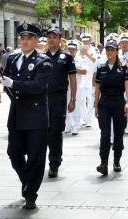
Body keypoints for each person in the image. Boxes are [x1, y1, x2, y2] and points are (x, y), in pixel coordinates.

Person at [1, 23, 53, 210]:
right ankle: (27, 182)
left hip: (36, 115)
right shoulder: (14, 60)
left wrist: (14, 83)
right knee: (14, 153)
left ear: (37, 41)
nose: (25, 41)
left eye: (29, 38)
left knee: (35, 157)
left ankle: (31, 194)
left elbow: (38, 86)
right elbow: (9, 85)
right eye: (22, 38)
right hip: (16, 114)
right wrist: (8, 84)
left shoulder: (44, 61)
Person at [94, 39, 128, 175]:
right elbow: (97, 87)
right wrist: (96, 106)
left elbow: (127, 85)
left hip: (118, 103)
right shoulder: (101, 68)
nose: (109, 52)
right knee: (104, 134)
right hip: (104, 103)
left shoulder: (123, 68)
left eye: (112, 50)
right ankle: (103, 163)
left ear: (117, 52)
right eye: (108, 50)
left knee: (118, 134)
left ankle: (116, 161)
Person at [44, 27, 77, 178]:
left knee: (56, 131)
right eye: (49, 37)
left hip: (59, 98)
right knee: (43, 132)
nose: (51, 39)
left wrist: (73, 99)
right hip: (42, 99)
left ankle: (54, 163)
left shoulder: (67, 58)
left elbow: (72, 79)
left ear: (59, 39)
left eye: (54, 37)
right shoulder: (41, 57)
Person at [65, 39, 88, 135]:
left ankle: (76, 127)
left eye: (73, 49)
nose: (71, 51)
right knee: (66, 107)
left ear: (76, 50)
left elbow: (84, 71)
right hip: (66, 86)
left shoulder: (80, 59)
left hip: (78, 87)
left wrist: (71, 67)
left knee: (76, 107)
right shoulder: (64, 59)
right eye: (69, 49)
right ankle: (68, 126)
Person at [78, 33, 98, 127]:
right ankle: (85, 118)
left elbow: (96, 61)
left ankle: (89, 120)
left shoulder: (94, 50)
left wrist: (87, 54)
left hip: (91, 78)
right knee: (81, 100)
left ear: (90, 41)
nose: (85, 42)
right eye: (84, 41)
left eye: (87, 40)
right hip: (82, 78)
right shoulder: (78, 51)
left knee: (91, 100)